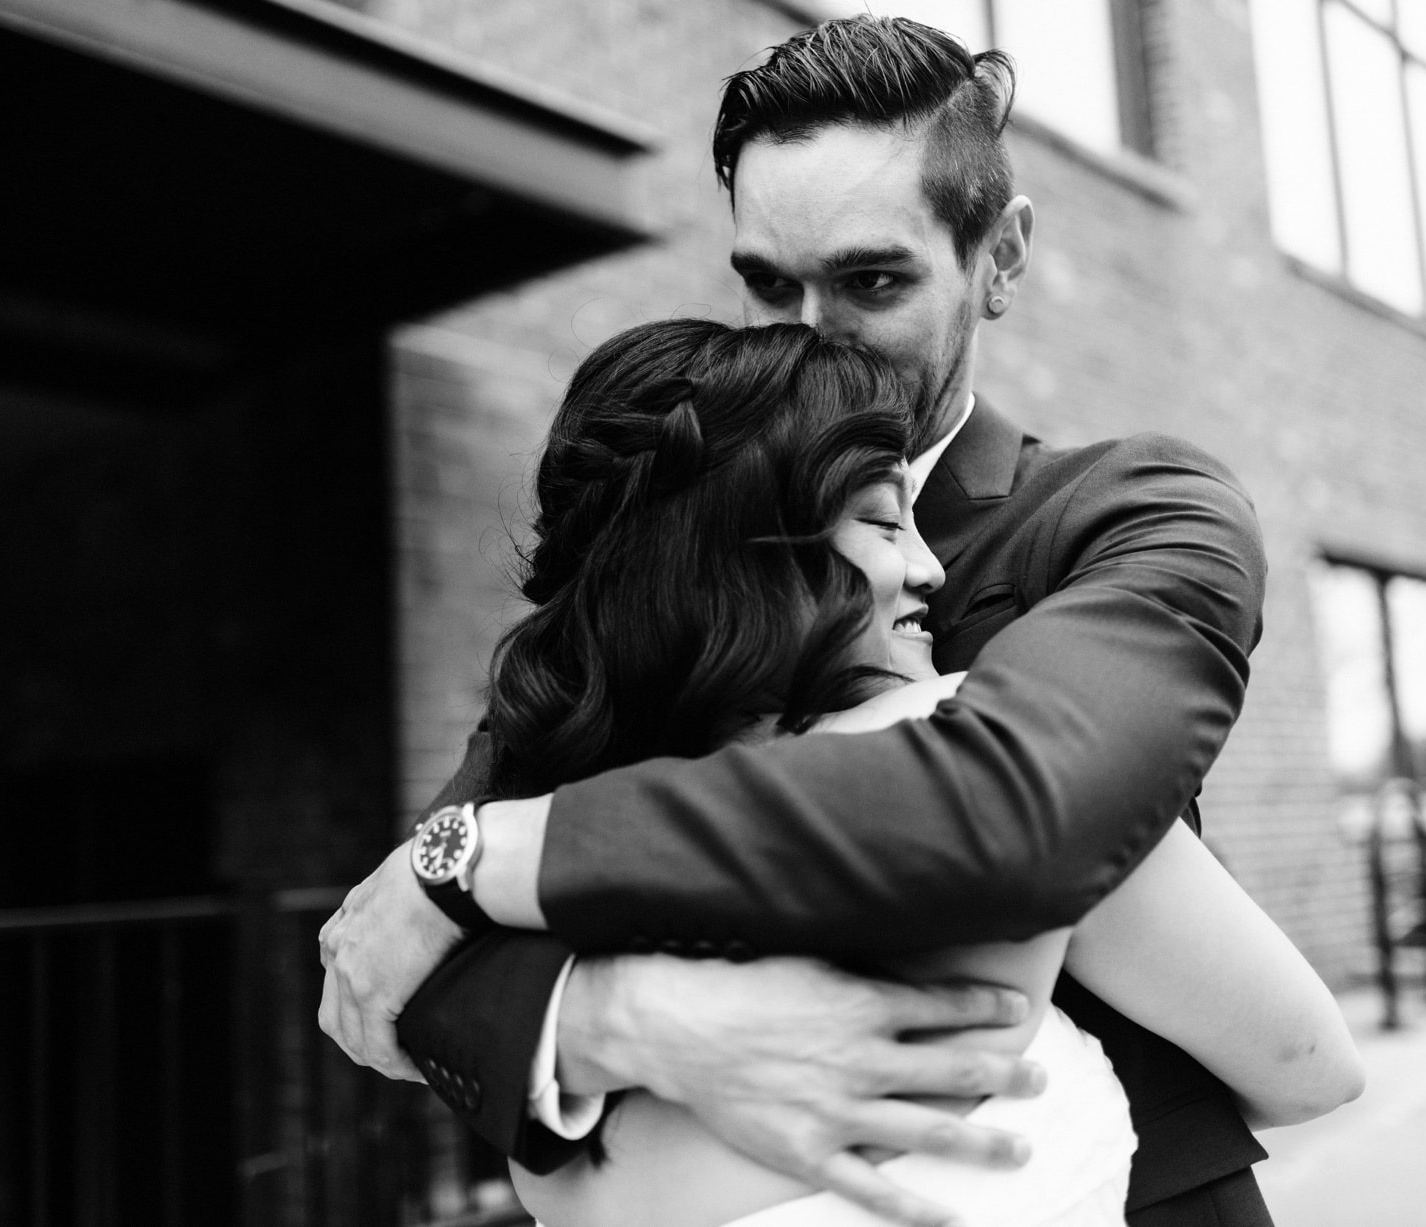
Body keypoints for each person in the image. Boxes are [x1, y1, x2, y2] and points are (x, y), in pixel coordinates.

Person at [319, 16, 1303, 1227]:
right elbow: (390, 958)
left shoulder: (1140, 511)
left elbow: (1021, 802)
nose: (809, 330)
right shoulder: (667, 545)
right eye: (766, 283)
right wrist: (623, 1020)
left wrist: (488, 865)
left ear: (999, 258)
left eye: (870, 279)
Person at [426, 316, 1359, 1227]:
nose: (931, 568)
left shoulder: (541, 890)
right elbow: (1310, 1063)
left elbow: (559, 1181)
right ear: (743, 561)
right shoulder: (977, 755)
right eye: (882, 523)